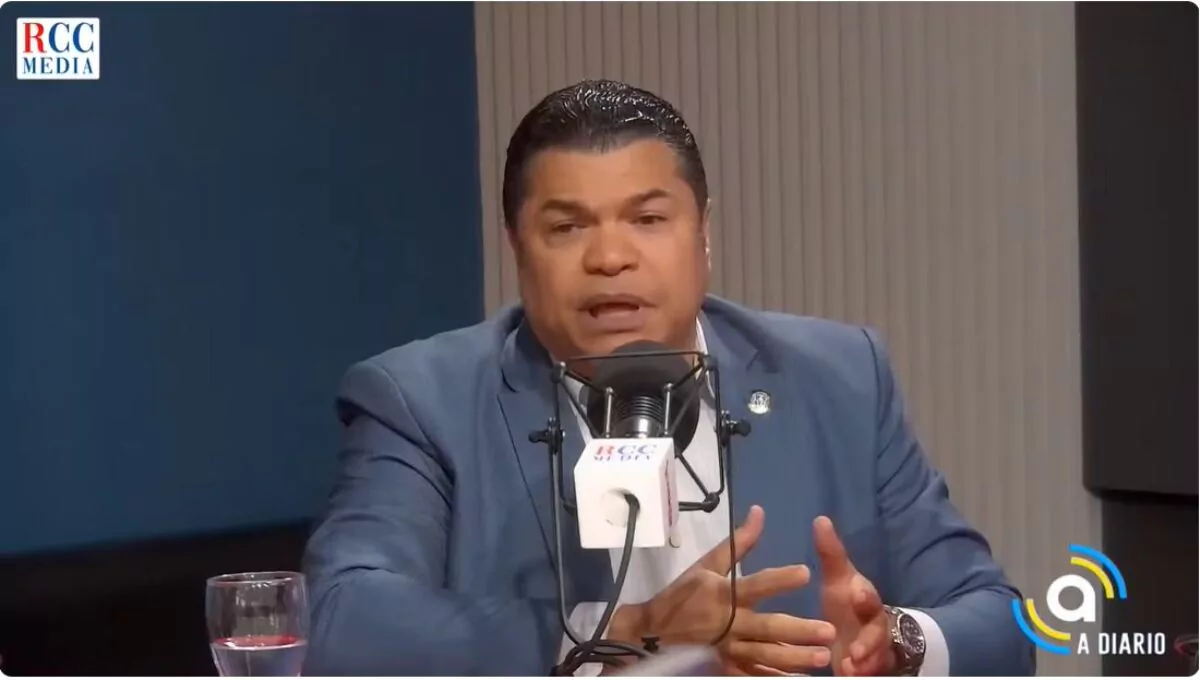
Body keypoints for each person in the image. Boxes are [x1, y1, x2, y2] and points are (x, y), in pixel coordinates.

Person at [301, 79, 1036, 676]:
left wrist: (894, 642)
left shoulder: (839, 378)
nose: (610, 258)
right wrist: (629, 631)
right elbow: (344, 623)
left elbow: (1001, 623)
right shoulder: (422, 402)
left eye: (648, 219)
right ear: (517, 247)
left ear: (703, 232)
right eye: (567, 227)